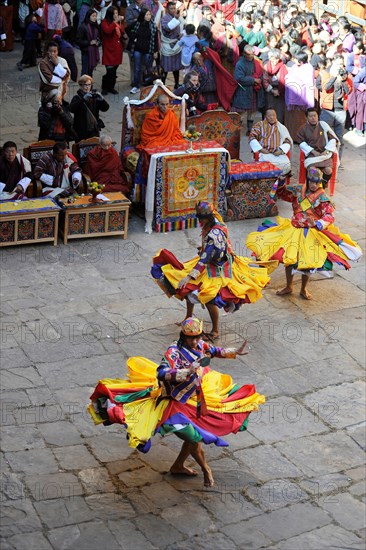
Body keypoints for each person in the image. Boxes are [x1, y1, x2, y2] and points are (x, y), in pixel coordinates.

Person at [88, 316, 266, 487]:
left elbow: (214, 351)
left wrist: (234, 352)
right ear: (183, 336)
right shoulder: (173, 352)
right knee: (192, 436)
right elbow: (161, 372)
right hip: (174, 403)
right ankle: (206, 470)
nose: (195, 342)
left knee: (201, 430)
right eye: (191, 338)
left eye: (197, 337)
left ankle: (178, 466)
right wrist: (185, 372)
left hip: (196, 395)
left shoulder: (200, 344)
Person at [151, 202, 274, 340]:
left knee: (209, 298)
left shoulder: (215, 234)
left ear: (208, 217)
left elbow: (205, 258)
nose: (199, 221)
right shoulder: (214, 222)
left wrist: (190, 276)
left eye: (201, 218)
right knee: (187, 289)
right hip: (211, 262)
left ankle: (215, 330)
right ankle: (188, 316)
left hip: (218, 269)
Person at [246, 167, 362, 300]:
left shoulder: (322, 197)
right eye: (311, 181)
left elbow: (330, 215)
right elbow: (282, 194)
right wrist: (282, 180)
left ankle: (303, 289)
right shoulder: (297, 190)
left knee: (307, 262)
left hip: (311, 232)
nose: (313, 185)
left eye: (316, 182)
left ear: (320, 182)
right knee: (289, 259)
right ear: (307, 180)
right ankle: (289, 286)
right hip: (293, 230)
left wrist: (318, 224)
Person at [316, 54, 353, 162]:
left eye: (341, 64)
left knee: (339, 137)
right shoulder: (325, 73)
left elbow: (348, 91)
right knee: (323, 135)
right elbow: (326, 88)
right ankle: (322, 158)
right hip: (327, 110)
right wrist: (334, 77)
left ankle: (337, 161)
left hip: (341, 110)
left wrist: (343, 80)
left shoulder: (347, 76)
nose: (340, 66)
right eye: (338, 64)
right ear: (333, 63)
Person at [297, 108, 339, 188]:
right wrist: (313, 151)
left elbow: (333, 139)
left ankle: (323, 184)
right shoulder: (303, 128)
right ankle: (311, 186)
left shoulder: (323, 126)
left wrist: (326, 150)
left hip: (324, 155)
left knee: (328, 170)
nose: (313, 118)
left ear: (318, 116)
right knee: (313, 170)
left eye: (315, 116)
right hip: (312, 155)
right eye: (310, 116)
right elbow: (301, 142)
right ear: (307, 117)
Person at [232, 44, 265, 135]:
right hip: (243, 91)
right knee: (241, 112)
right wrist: (253, 80)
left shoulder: (257, 62)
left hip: (255, 90)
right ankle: (237, 129)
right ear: (244, 54)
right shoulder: (240, 64)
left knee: (252, 111)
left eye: (253, 54)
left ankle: (250, 129)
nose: (252, 56)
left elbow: (261, 73)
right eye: (250, 54)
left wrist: (260, 79)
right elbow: (239, 78)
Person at [248, 108, 292, 176]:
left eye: (274, 115)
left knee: (286, 165)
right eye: (269, 115)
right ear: (265, 116)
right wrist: (261, 149)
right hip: (264, 153)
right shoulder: (259, 125)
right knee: (265, 167)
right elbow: (252, 137)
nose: (272, 117)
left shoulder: (281, 127)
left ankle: (280, 181)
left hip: (278, 153)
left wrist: (281, 151)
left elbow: (287, 141)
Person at [126, 8, 158, 95]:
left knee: (148, 68)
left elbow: (155, 39)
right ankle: (136, 86)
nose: (148, 16)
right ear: (143, 16)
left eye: (149, 14)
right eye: (146, 15)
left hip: (148, 50)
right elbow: (127, 29)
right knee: (137, 68)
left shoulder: (153, 25)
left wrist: (155, 51)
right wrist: (133, 38)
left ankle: (147, 85)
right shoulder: (137, 24)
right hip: (137, 49)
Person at [284, 50, 314, 141]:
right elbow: (288, 77)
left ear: (301, 61)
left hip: (302, 99)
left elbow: (306, 82)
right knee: (291, 120)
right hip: (291, 97)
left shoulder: (308, 68)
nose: (294, 60)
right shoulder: (294, 67)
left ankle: (300, 138)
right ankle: (291, 137)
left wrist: (292, 79)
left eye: (296, 59)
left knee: (300, 120)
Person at [69, 74, 109, 140]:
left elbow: (105, 108)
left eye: (89, 85)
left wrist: (102, 100)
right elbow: (71, 109)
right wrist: (83, 99)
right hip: (81, 130)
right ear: (80, 85)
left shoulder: (94, 98)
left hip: (93, 129)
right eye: (85, 85)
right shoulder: (77, 98)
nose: (87, 87)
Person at [101, 5, 125, 95]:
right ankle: (105, 87)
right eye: (114, 13)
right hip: (108, 49)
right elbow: (107, 31)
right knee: (109, 70)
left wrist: (119, 23)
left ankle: (111, 87)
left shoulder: (117, 23)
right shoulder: (104, 22)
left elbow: (122, 31)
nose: (116, 15)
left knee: (114, 70)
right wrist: (115, 22)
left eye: (117, 13)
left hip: (117, 49)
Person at [160, 2, 182, 89]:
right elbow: (167, 28)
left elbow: (181, 27)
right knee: (165, 67)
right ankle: (162, 85)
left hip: (176, 44)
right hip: (167, 45)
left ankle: (176, 84)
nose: (173, 10)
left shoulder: (176, 17)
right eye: (171, 9)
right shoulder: (164, 19)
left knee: (176, 67)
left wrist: (181, 34)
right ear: (167, 9)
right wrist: (176, 19)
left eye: (174, 8)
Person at [263, 48, 288, 123]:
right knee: (270, 110)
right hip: (270, 92)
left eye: (276, 59)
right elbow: (265, 81)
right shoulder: (266, 67)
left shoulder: (283, 67)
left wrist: (279, 90)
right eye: (272, 59)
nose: (274, 61)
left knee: (280, 112)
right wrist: (272, 90)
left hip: (280, 91)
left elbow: (285, 80)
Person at [76, 8, 101, 78]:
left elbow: (99, 38)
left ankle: (90, 87)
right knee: (85, 71)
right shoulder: (83, 26)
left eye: (95, 16)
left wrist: (97, 42)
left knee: (91, 71)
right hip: (86, 51)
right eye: (93, 16)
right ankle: (84, 87)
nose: (95, 18)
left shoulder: (96, 26)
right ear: (88, 16)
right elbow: (78, 40)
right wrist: (89, 43)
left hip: (94, 51)